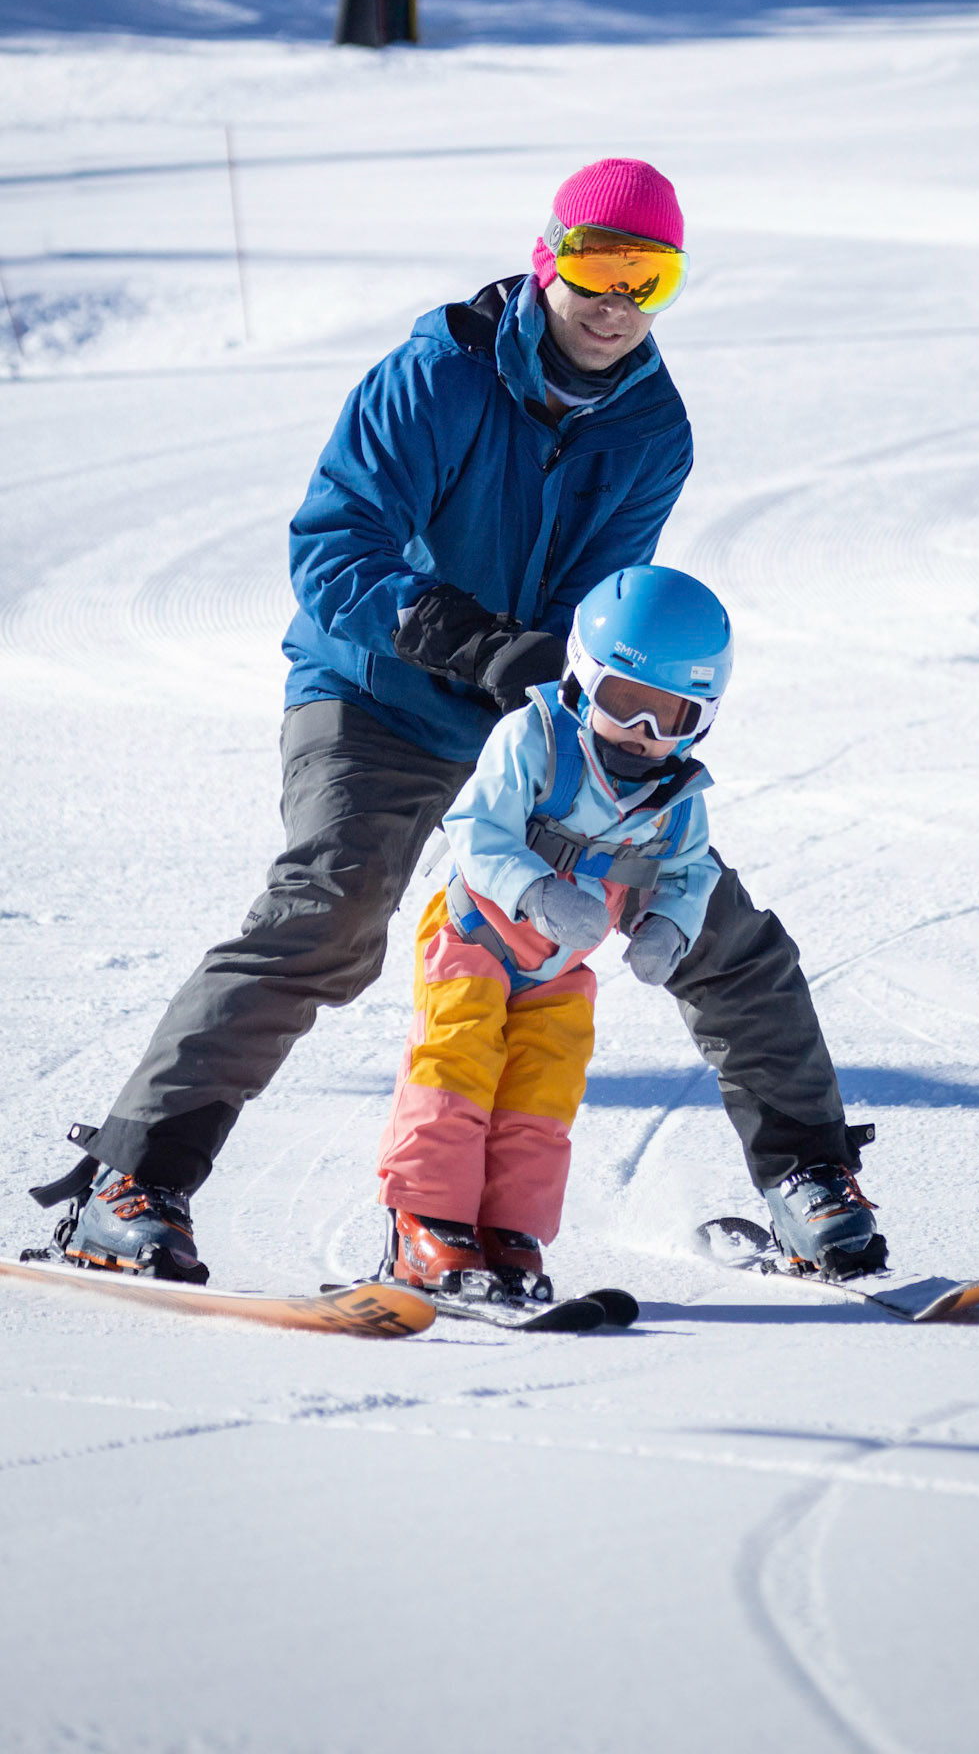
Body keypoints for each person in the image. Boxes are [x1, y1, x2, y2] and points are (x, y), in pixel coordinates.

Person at [33, 157, 884, 1286]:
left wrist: (581, 690)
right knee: (328, 908)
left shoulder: (653, 430)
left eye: (650, 274)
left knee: (707, 914)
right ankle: (130, 1183)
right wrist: (457, 633)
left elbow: (600, 610)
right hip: (374, 689)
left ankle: (810, 1181)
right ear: (548, 257)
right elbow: (332, 548)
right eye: (597, 263)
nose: (617, 299)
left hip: (529, 722)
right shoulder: (435, 375)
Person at [380, 564, 728, 1300]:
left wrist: (669, 924)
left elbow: (689, 873)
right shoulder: (533, 739)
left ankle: (509, 1229)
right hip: (476, 933)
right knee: (457, 1062)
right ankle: (429, 1224)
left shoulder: (677, 797)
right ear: (582, 677)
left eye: (672, 717)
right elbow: (474, 827)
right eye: (625, 703)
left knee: (545, 1087)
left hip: (563, 966)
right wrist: (535, 889)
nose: (643, 734)